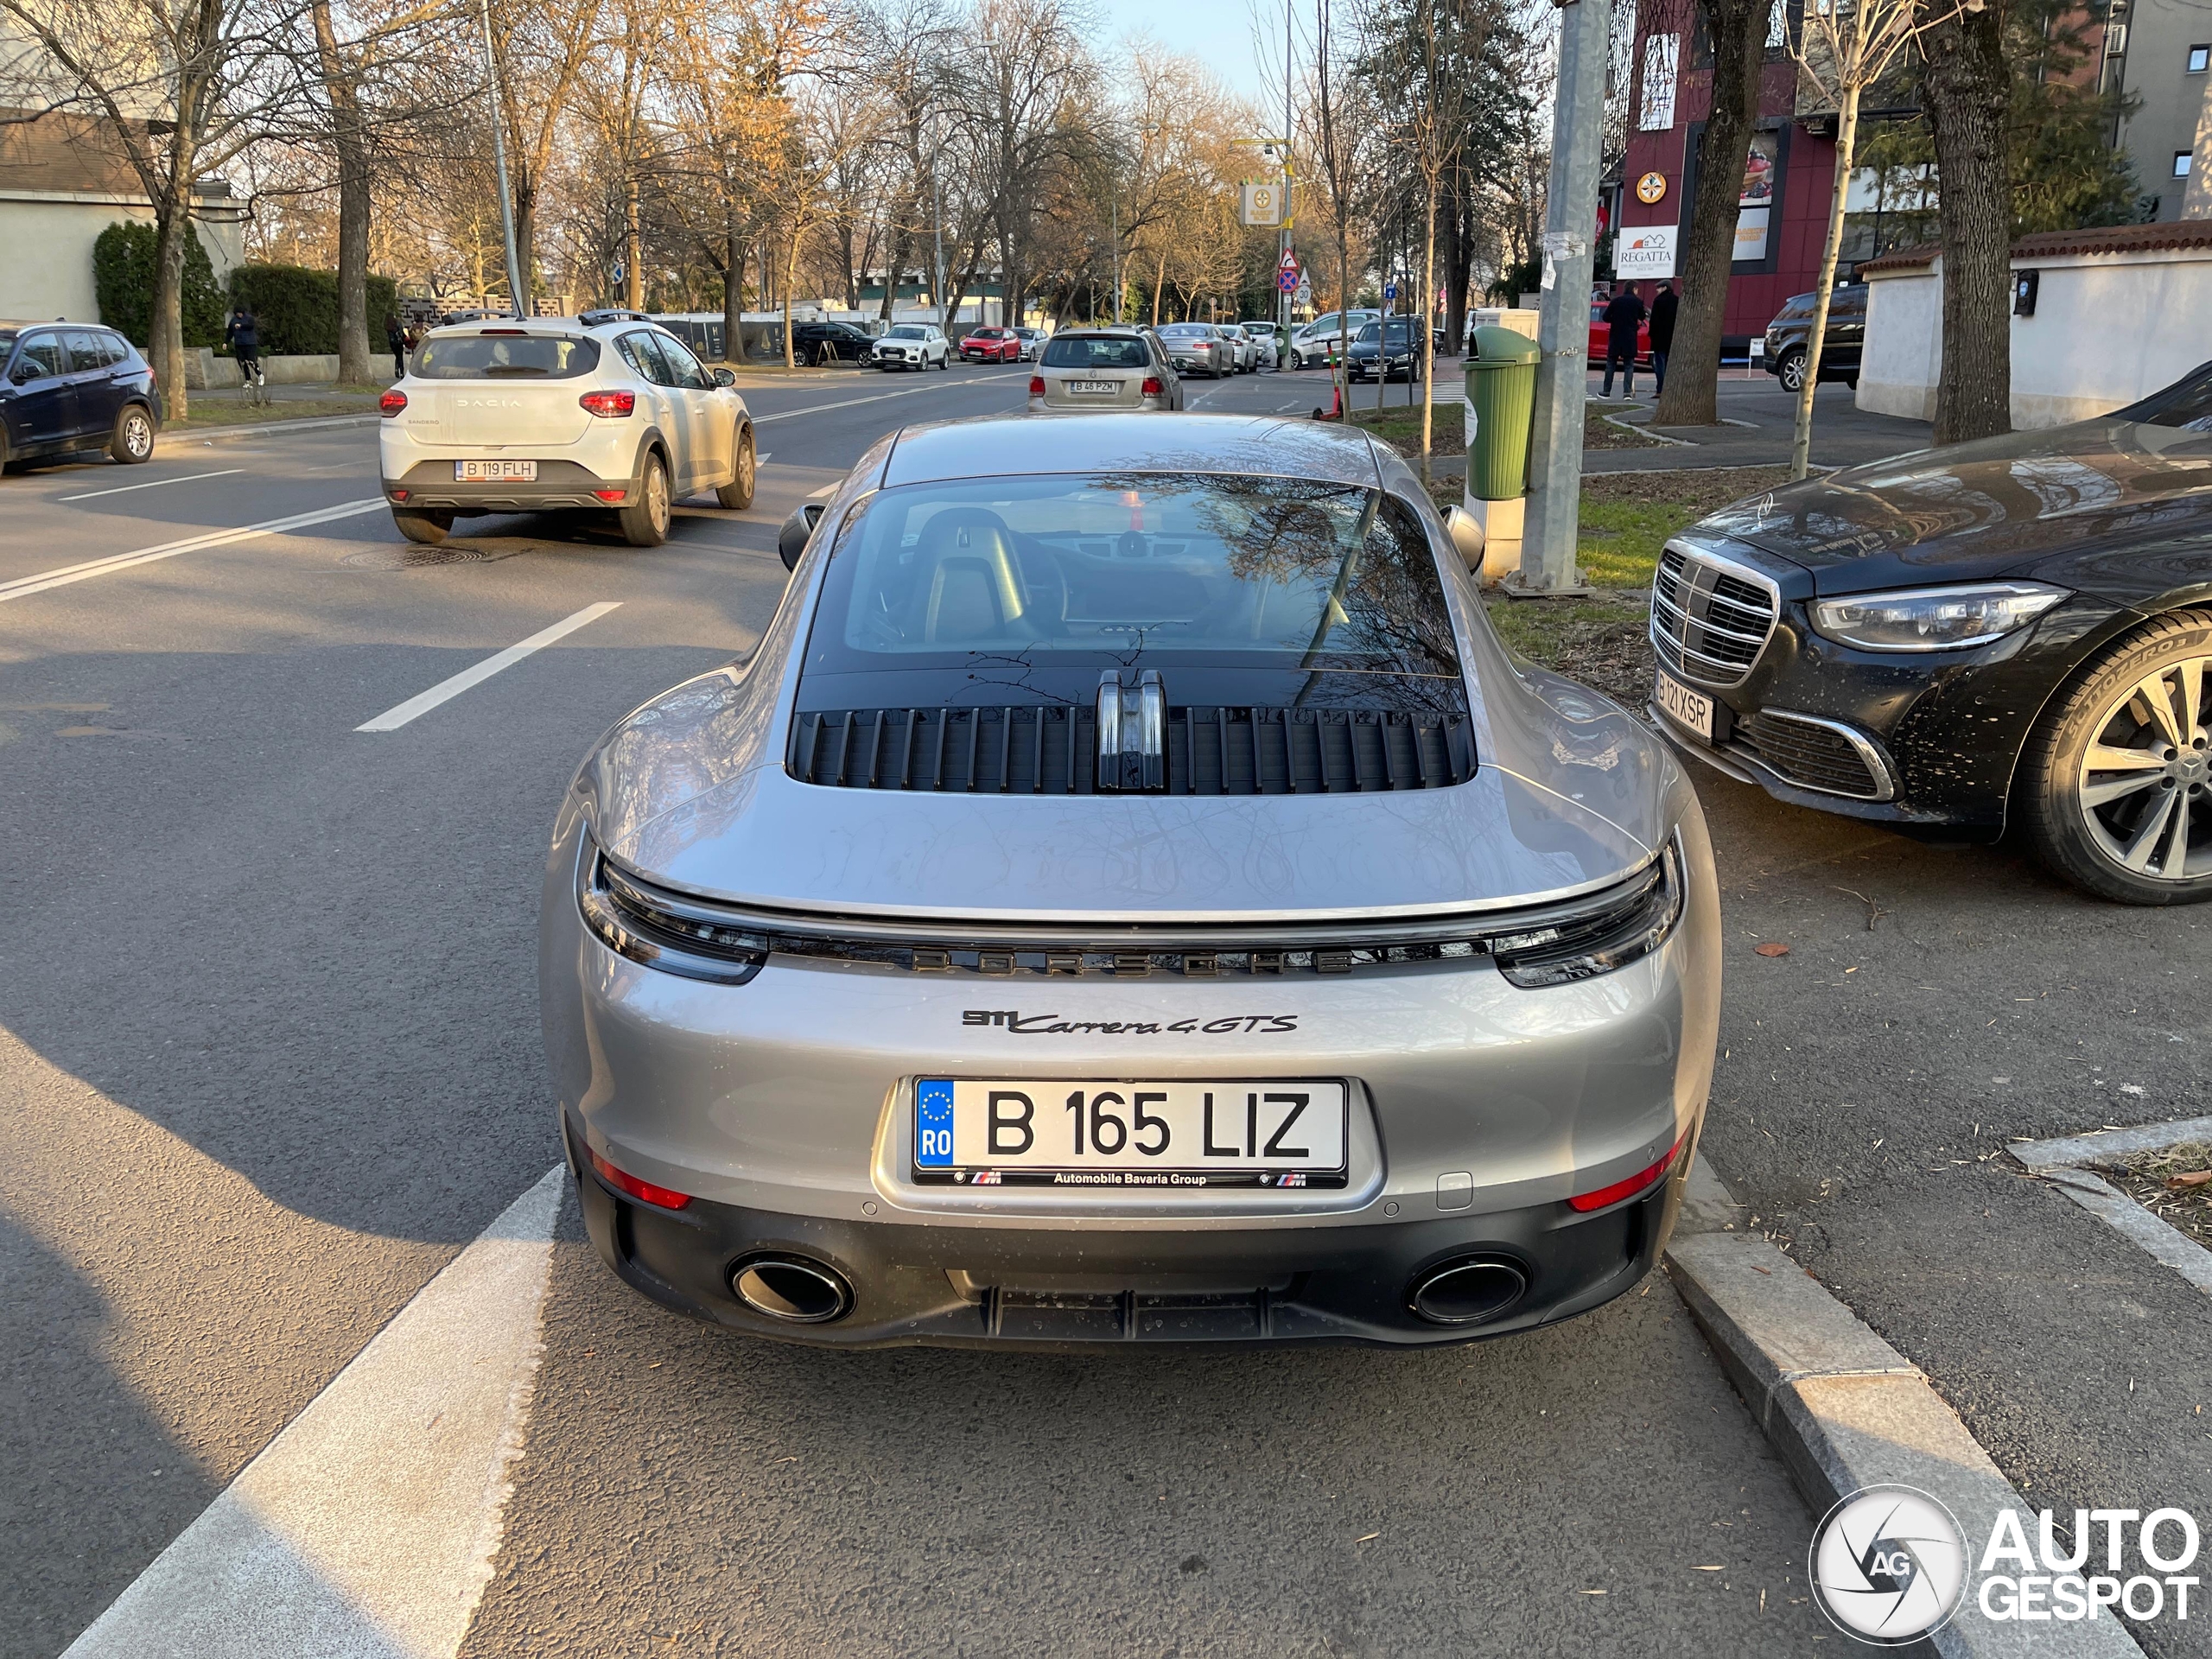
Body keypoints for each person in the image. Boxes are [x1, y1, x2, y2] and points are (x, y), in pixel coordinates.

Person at [1600, 283, 1646, 399]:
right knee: (1629, 366)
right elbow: (1642, 317)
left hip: (1616, 336)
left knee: (1611, 364)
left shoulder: (1616, 301)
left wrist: (1615, 320)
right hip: (1630, 337)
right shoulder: (1637, 302)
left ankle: (1606, 391)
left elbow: (1605, 317)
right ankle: (1627, 392)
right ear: (1634, 289)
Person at [224, 305, 263, 400]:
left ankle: (259, 374)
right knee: (242, 362)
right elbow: (230, 332)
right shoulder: (233, 321)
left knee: (251, 360)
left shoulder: (249, 318)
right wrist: (226, 342)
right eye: (238, 314)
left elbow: (251, 326)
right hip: (239, 344)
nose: (239, 315)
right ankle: (248, 380)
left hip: (250, 343)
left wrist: (241, 326)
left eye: (240, 313)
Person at [1649, 280, 1678, 395]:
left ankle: (1660, 389)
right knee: (1670, 364)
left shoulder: (1658, 301)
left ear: (1665, 288)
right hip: (1672, 337)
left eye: (1659, 288)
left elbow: (1654, 320)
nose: (1657, 290)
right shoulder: (1676, 300)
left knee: (1660, 364)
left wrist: (1651, 334)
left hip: (1659, 338)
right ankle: (1671, 388)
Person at [385, 312, 409, 380]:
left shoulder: (387, 325)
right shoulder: (397, 322)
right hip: (398, 342)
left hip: (392, 343)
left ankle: (396, 370)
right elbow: (401, 332)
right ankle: (401, 372)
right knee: (400, 357)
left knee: (397, 356)